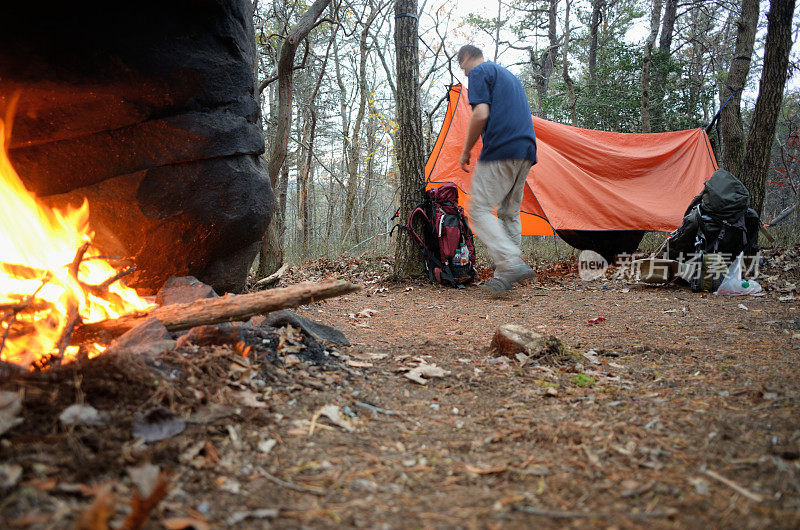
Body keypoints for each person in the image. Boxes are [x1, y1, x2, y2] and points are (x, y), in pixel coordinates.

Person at [457, 44, 538, 295]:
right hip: (526, 150)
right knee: (508, 213)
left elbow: (481, 113)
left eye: (462, 67)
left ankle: (511, 262)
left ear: (467, 56)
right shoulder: (509, 76)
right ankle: (505, 278)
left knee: (478, 209)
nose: (465, 73)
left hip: (502, 147)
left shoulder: (479, 71)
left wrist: (466, 149)